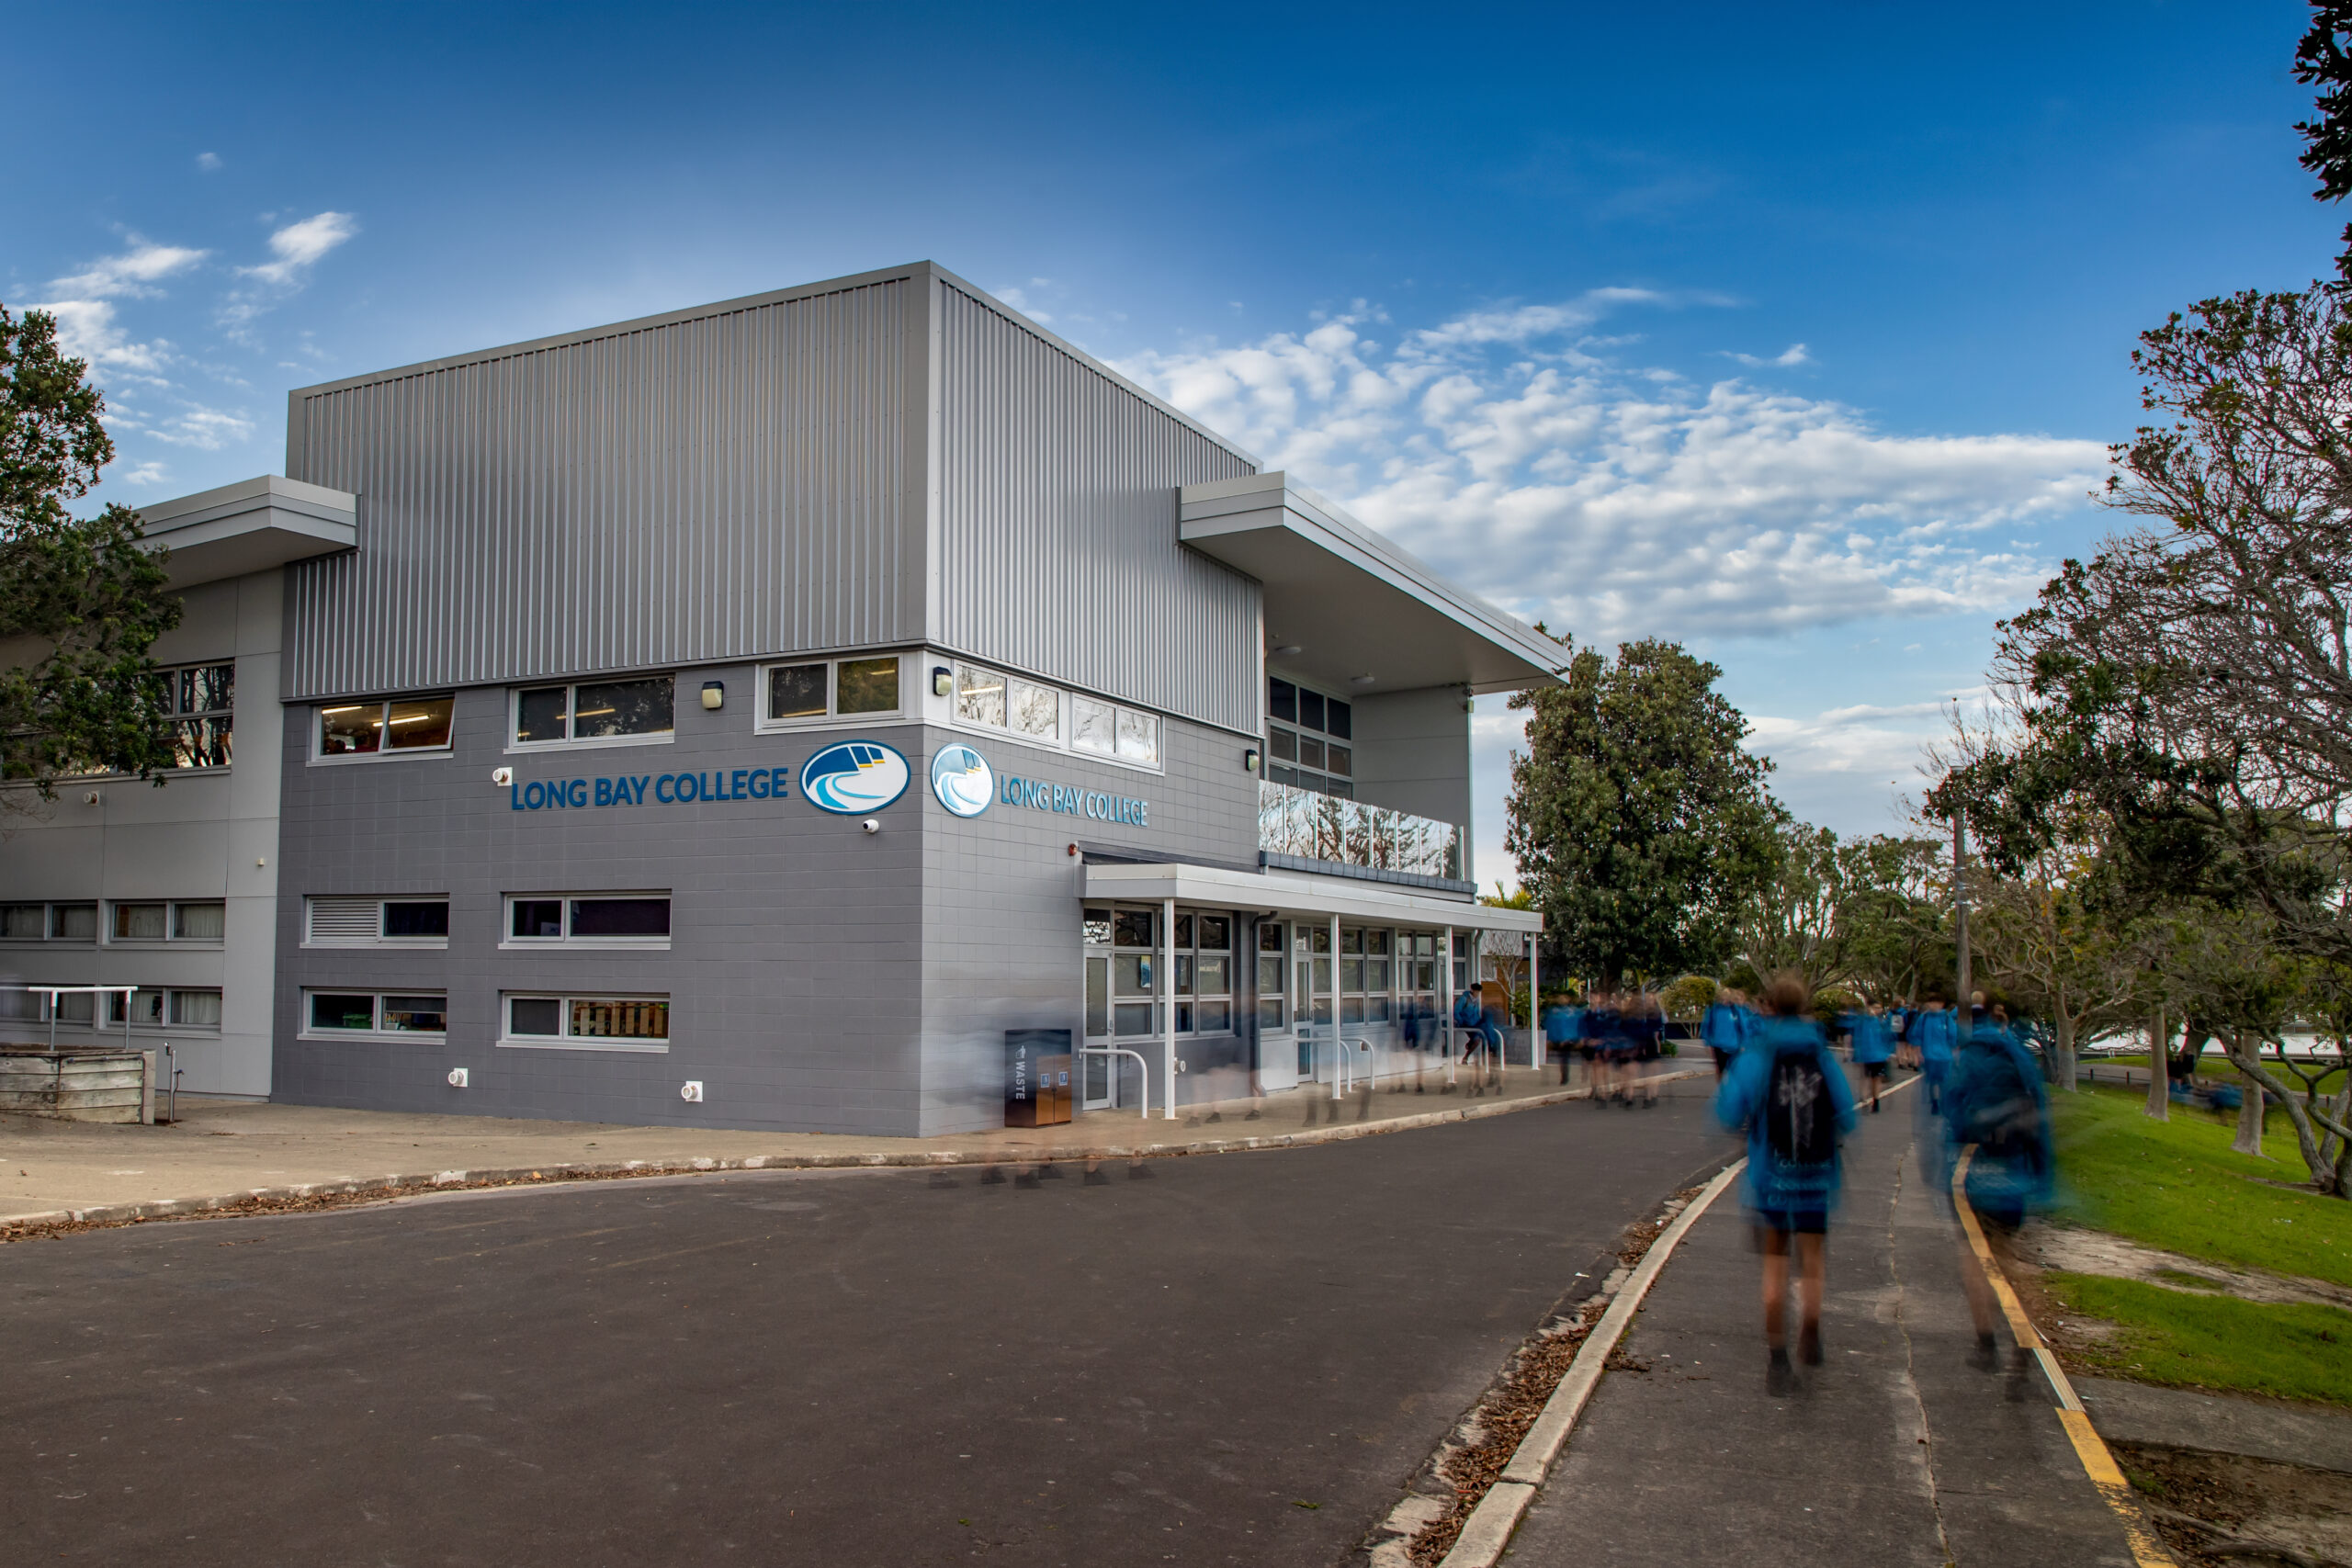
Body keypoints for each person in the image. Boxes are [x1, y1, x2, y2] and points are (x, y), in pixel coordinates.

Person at [1714, 974, 1858, 1393]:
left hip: (1770, 1177)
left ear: (1770, 1008)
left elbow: (1727, 1113)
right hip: (1816, 1176)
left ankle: (1778, 1360)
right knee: (1812, 1260)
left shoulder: (1756, 1055)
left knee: (1774, 1264)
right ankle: (1810, 1328)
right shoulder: (1821, 1054)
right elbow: (1847, 1116)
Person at [1941, 1001, 2054, 1371]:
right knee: (2007, 1258)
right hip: (2014, 1172)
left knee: (1974, 1257)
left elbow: (1952, 1114)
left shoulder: (1966, 1058)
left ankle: (1986, 1343)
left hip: (1974, 1172)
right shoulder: (2020, 1059)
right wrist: (2043, 1175)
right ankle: (2024, 1336)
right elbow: (2039, 1119)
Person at [1843, 1000, 1895, 1112]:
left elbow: (1887, 1038)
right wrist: (1857, 1054)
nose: (1877, 1010)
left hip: (1879, 1055)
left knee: (1876, 1078)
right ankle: (1864, 1099)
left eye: (1879, 1008)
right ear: (1869, 1007)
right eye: (1875, 1007)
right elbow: (1857, 1038)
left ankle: (1876, 1101)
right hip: (1865, 1054)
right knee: (1864, 1077)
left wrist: (1887, 1053)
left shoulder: (1881, 1021)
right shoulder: (1861, 1021)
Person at [1913, 994, 1959, 1112]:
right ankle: (1935, 1102)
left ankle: (1943, 1101)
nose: (1934, 1005)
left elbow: (1953, 1037)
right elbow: (1917, 1036)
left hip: (1944, 1056)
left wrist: (1954, 1053)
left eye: (1937, 1003)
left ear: (1941, 1004)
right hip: (1928, 1055)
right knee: (1932, 1081)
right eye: (1931, 1003)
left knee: (1944, 1081)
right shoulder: (1924, 1018)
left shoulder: (1947, 1018)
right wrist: (1918, 1053)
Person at [1702, 987, 1749, 1080]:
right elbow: (1707, 1026)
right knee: (1721, 1070)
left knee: (1735, 1071)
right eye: (1723, 997)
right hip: (1719, 1045)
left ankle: (1732, 1087)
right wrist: (1707, 1043)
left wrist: (1744, 1044)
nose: (1725, 1000)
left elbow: (1743, 1027)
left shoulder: (1735, 1009)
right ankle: (1722, 1088)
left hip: (1734, 1046)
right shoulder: (1713, 1009)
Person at [1543, 991, 1584, 1086]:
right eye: (1560, 998)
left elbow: (1575, 1025)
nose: (1562, 1000)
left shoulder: (1572, 1012)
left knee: (1564, 1057)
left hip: (1569, 1039)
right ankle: (1564, 1076)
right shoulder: (1554, 1011)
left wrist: (1576, 1038)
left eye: (1564, 998)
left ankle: (1565, 1077)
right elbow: (1550, 1025)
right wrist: (1549, 1038)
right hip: (1558, 1038)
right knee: (1563, 1057)